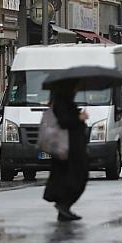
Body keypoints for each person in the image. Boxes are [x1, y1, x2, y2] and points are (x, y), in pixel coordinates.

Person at [43, 81, 89, 222]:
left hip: (70, 147)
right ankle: (63, 205)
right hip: (68, 148)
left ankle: (64, 209)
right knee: (77, 176)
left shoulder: (65, 101)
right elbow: (64, 121)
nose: (77, 89)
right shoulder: (61, 102)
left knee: (68, 177)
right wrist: (79, 117)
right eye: (75, 86)